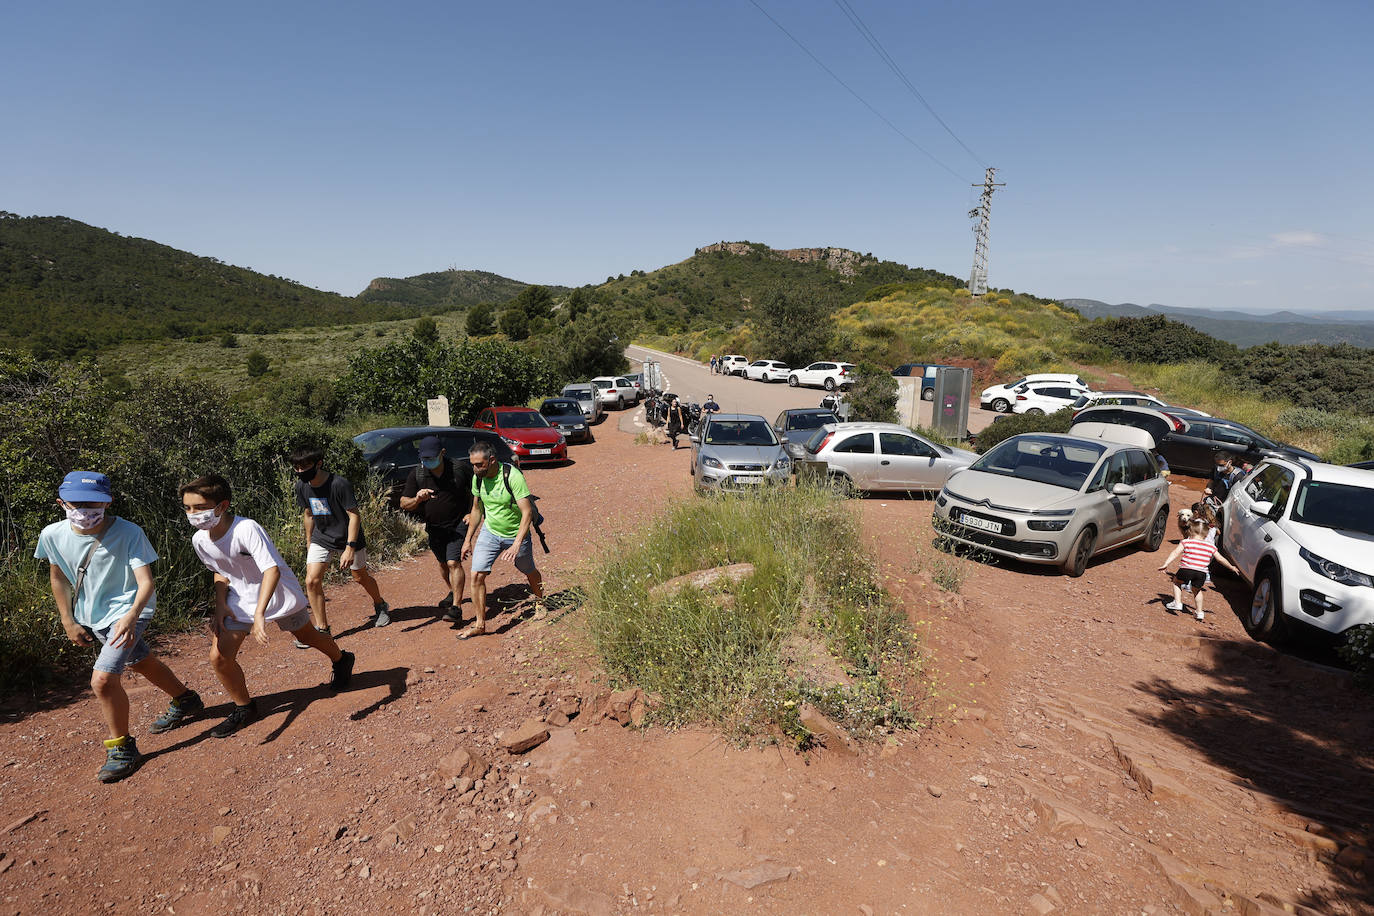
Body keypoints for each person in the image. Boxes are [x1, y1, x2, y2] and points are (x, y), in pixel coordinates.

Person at [34, 471, 202, 783]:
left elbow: (145, 582)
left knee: (102, 680)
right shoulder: (52, 535)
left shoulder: (129, 532)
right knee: (140, 661)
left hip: (131, 612)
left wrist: (130, 616)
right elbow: (57, 576)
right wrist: (68, 619)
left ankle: (122, 747)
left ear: (108, 502)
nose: (86, 509)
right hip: (92, 614)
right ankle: (186, 698)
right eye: (78, 503)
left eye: (94, 503)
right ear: (61, 503)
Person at [181, 474, 354, 738]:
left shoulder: (246, 529)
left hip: (278, 593)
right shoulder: (199, 540)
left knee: (306, 635)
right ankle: (244, 707)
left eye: (200, 508)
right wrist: (220, 605)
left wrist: (259, 615)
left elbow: (271, 570)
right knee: (219, 657)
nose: (193, 514)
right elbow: (219, 572)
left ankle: (341, 659)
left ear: (222, 506)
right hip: (239, 598)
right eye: (188, 508)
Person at [289, 447, 389, 637]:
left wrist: (350, 548)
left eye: (305, 467)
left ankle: (380, 604)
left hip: (348, 538)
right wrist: (309, 542)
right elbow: (308, 514)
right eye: (297, 468)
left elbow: (354, 516)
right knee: (311, 581)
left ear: (319, 464)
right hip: (322, 536)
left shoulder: (339, 484)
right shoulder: (301, 486)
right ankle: (323, 630)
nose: (301, 472)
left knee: (360, 576)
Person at [458, 441, 546, 639]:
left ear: (492, 460)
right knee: (476, 575)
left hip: (516, 533)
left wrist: (516, 543)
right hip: (490, 532)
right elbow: (476, 509)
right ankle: (480, 624)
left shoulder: (512, 476)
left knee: (529, 570)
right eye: (472, 464)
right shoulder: (478, 478)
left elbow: (527, 512)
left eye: (479, 464)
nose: (475, 468)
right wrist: (468, 540)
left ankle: (541, 602)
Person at [399, 436, 475, 623]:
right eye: (424, 458)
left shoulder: (458, 469)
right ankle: (452, 590)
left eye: (431, 457)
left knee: (453, 563)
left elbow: (477, 491)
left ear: (442, 453)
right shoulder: (417, 474)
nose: (427, 462)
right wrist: (417, 499)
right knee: (442, 564)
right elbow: (403, 503)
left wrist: (472, 513)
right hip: (434, 527)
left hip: (458, 524)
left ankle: (456, 607)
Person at [1158, 518, 1239, 622]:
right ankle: (1199, 612)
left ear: (1190, 531)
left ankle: (1177, 602)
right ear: (1206, 535)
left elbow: (1175, 553)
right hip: (1201, 573)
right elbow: (1220, 559)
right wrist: (1231, 567)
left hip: (1186, 569)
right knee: (1197, 590)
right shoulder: (1210, 546)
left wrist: (1166, 564)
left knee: (1176, 582)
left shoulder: (1186, 542)